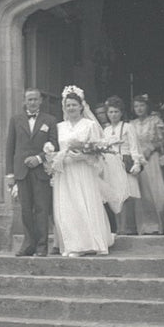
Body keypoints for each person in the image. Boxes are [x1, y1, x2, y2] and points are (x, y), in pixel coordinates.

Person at [49, 86, 115, 257]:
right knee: (68, 207)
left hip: (83, 170)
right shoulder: (59, 127)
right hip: (65, 172)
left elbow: (98, 152)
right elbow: (55, 149)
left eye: (74, 105)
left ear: (81, 106)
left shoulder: (90, 125)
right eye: (68, 105)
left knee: (83, 204)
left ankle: (89, 244)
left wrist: (84, 157)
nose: (71, 108)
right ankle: (73, 245)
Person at [4, 88, 58, 257]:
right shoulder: (15, 120)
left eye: (35, 99)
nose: (32, 102)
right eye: (29, 100)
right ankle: (29, 244)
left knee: (42, 208)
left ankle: (42, 246)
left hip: (41, 171)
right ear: (24, 101)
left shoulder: (50, 120)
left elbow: (54, 145)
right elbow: (10, 148)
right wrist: (10, 174)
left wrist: (39, 158)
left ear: (41, 100)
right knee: (26, 209)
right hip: (22, 172)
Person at [128, 94, 164, 235]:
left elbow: (162, 141)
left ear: (147, 106)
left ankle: (161, 225)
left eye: (141, 105)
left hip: (152, 160)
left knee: (158, 193)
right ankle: (146, 226)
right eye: (136, 106)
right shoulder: (131, 124)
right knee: (142, 194)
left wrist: (150, 148)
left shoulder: (155, 121)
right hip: (138, 161)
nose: (139, 109)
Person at [99, 96, 142, 235]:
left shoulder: (128, 127)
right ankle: (117, 228)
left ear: (121, 113)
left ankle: (127, 227)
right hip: (110, 164)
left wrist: (137, 162)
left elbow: (134, 147)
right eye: (110, 112)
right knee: (113, 195)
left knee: (126, 195)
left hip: (124, 162)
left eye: (116, 112)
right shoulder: (105, 130)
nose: (113, 115)